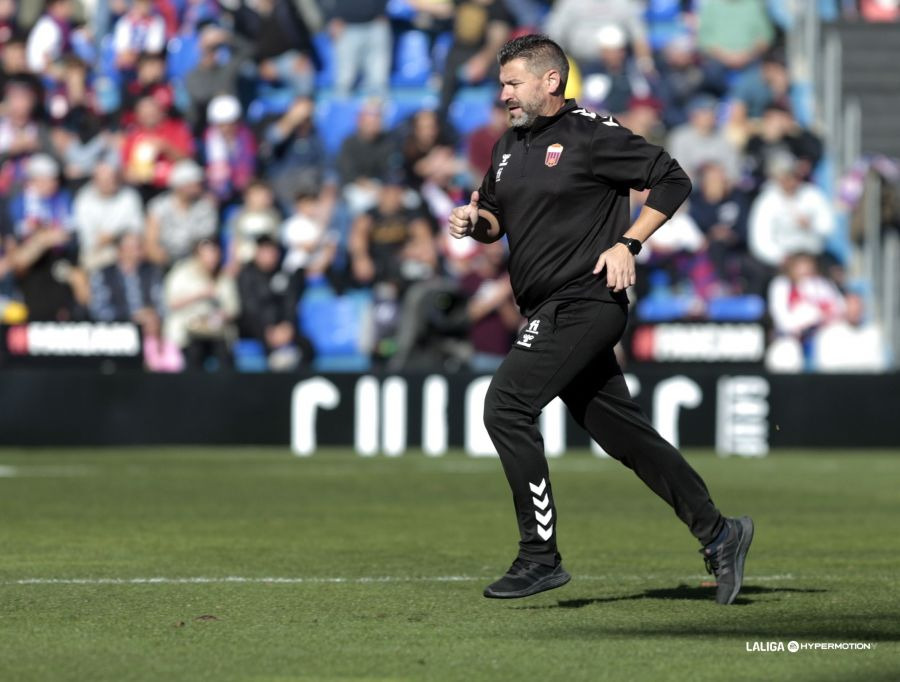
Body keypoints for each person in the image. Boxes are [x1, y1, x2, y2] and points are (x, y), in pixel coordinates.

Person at [447, 34, 752, 605]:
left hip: (585, 301)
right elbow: (496, 217)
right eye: (502, 84)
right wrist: (474, 221)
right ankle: (720, 531)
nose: (504, 93)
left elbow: (673, 179)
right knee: (625, 435)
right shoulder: (507, 147)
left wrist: (629, 243)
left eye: (513, 83)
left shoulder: (592, 134)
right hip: (546, 306)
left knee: (506, 406)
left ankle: (539, 556)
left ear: (550, 81)